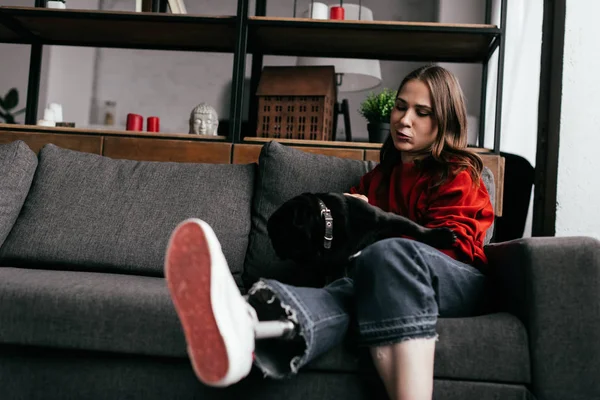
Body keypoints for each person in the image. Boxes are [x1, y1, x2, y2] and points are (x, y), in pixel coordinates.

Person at [164, 65, 494, 400]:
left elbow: (454, 245)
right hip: (384, 280)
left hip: (456, 281)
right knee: (344, 290)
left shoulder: (457, 174)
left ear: (445, 122)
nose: (404, 120)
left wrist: (375, 239)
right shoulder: (379, 178)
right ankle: (249, 324)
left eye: (421, 113)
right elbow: (341, 243)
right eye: (400, 107)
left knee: (383, 258)